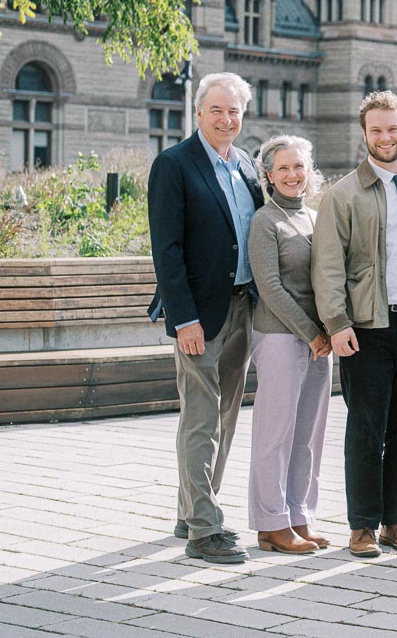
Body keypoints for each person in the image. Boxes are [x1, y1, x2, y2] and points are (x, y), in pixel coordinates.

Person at [312, 91, 397, 558]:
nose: (385, 137)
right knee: (367, 426)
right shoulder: (343, 193)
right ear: (364, 135)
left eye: (392, 128)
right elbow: (327, 266)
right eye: (376, 130)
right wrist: (337, 322)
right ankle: (363, 525)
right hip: (367, 326)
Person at [147, 71, 263, 564]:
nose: (226, 118)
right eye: (216, 109)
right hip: (199, 313)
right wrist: (184, 317)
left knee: (227, 417)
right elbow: (166, 250)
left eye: (234, 110)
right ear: (198, 113)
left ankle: (191, 510)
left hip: (241, 307)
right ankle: (203, 531)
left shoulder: (247, 167)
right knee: (201, 419)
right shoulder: (174, 165)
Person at [246, 135, 331, 555]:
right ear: (268, 176)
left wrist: (330, 329)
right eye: (282, 169)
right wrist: (310, 332)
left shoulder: (316, 218)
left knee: (309, 434)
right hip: (281, 336)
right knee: (275, 432)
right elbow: (271, 288)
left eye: (298, 167)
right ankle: (271, 523)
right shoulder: (266, 220)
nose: (292, 175)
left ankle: (299, 515)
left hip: (320, 340)